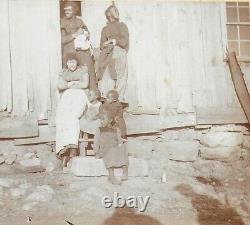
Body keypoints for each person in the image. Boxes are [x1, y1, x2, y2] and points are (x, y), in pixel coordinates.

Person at [56, 53, 89, 168]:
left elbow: (85, 84)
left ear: (77, 62)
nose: (71, 65)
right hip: (67, 97)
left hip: (80, 96)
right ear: (66, 63)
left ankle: (72, 148)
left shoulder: (82, 70)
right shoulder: (63, 72)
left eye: (73, 62)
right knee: (61, 117)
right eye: (69, 62)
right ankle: (63, 148)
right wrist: (73, 83)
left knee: (73, 117)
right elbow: (60, 86)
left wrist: (69, 85)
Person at [61, 1, 96, 90]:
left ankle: (92, 94)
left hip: (83, 51)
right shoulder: (63, 22)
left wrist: (85, 34)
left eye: (69, 10)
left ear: (74, 11)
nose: (66, 12)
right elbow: (62, 40)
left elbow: (87, 34)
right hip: (70, 53)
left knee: (88, 70)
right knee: (73, 73)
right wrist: (75, 34)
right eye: (65, 10)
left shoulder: (80, 21)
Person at [97, 5, 129, 100]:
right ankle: (108, 100)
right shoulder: (105, 29)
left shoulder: (122, 26)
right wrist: (106, 43)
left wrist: (113, 40)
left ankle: (118, 101)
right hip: (108, 55)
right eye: (114, 11)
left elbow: (124, 42)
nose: (117, 12)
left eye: (117, 10)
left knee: (121, 77)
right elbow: (101, 44)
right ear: (109, 14)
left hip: (119, 53)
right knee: (108, 76)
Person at [93, 109, 129, 185]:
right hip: (105, 151)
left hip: (114, 149)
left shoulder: (116, 129)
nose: (101, 121)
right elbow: (96, 142)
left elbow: (120, 141)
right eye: (100, 120)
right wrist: (96, 152)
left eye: (103, 119)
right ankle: (111, 176)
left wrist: (120, 146)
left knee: (123, 148)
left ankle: (125, 172)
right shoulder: (99, 129)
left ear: (110, 120)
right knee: (111, 152)